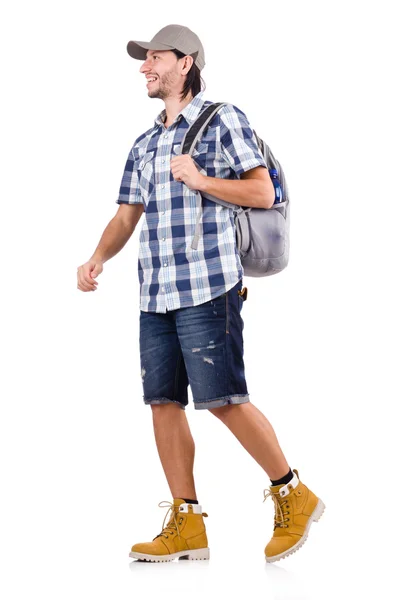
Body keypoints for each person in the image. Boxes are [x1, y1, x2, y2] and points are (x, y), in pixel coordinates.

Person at [77, 24, 325, 563]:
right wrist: (98, 256)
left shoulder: (223, 120)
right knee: (162, 403)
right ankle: (187, 523)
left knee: (223, 399)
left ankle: (293, 493)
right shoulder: (144, 143)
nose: (145, 67)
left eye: (154, 58)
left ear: (185, 63)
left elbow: (262, 191)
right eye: (143, 60)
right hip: (156, 292)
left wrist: (202, 179)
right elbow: (127, 215)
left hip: (210, 286)